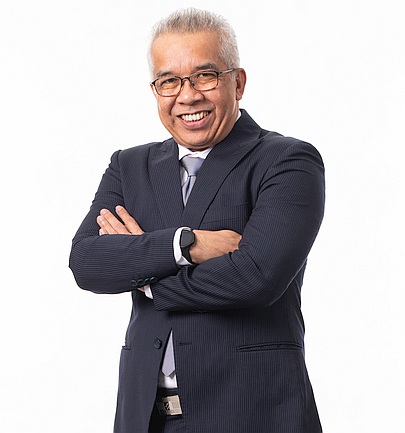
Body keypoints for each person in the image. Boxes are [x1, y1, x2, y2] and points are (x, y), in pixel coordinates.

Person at [69, 7, 325, 433]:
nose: (187, 96)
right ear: (156, 90)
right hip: (145, 418)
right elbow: (86, 262)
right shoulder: (128, 167)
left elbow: (257, 277)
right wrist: (184, 245)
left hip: (252, 413)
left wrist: (145, 278)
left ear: (237, 82)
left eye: (205, 76)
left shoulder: (287, 161)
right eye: (169, 81)